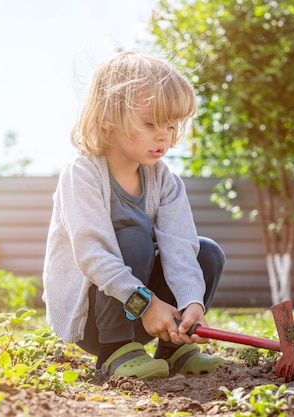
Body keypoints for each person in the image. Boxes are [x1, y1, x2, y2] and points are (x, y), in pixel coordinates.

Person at [42, 51, 226, 380]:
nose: (164, 136)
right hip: (95, 321)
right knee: (133, 234)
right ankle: (114, 353)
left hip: (148, 314)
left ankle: (175, 348)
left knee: (207, 251)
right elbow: (92, 253)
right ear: (107, 119)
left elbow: (180, 247)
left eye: (170, 125)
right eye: (150, 123)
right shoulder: (81, 174)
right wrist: (145, 302)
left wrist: (191, 304)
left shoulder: (165, 180)